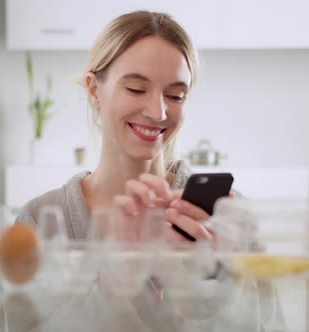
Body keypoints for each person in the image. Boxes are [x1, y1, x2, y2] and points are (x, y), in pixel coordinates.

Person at [16, 10, 230, 245]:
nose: (158, 113)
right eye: (136, 89)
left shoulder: (226, 215)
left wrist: (216, 269)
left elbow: (260, 281)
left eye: (175, 96)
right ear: (94, 90)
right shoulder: (39, 220)